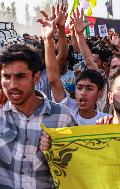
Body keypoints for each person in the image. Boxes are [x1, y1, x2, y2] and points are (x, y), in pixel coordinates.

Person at [0, 44, 76, 188]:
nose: (12, 85)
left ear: (36, 78)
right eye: (6, 77)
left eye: (20, 76)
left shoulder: (62, 117)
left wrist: (56, 151)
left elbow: (76, 169)